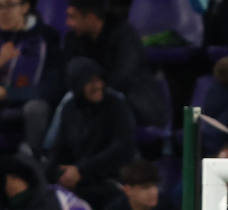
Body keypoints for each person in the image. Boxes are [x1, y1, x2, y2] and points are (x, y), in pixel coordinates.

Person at [0, 0, 63, 161]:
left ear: (25, 7)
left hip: (30, 102)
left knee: (37, 108)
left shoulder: (47, 37)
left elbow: (52, 88)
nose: (3, 12)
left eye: (10, 5)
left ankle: (34, 167)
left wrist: (8, 93)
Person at [43, 57, 138, 210]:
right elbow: (60, 148)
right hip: (77, 180)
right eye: (91, 82)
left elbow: (121, 148)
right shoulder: (69, 108)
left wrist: (82, 170)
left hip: (109, 180)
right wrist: (58, 173)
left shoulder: (116, 106)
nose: (98, 86)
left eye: (99, 80)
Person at [63, 0, 167, 129]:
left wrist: (95, 89)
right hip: (93, 96)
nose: (68, 23)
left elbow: (124, 76)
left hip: (132, 99)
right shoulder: (74, 39)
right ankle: (50, 148)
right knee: (69, 101)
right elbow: (71, 73)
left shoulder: (125, 35)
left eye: (73, 17)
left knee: (91, 104)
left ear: (90, 18)